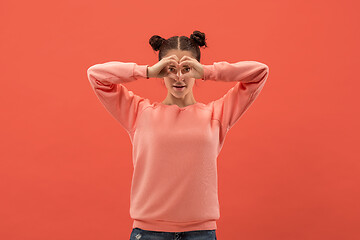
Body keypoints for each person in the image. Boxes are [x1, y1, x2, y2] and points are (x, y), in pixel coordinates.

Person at [87, 30, 269, 240]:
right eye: (170, 69)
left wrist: (208, 72)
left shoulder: (216, 115)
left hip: (200, 233)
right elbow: (96, 75)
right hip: (148, 233)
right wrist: (146, 71)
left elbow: (259, 72)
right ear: (161, 70)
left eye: (187, 68)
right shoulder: (139, 113)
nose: (179, 77)